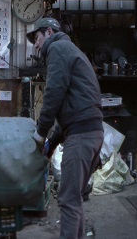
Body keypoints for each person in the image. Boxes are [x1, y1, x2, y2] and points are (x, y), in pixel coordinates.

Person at [27, 17, 104, 239]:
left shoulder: (58, 48)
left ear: (49, 32)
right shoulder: (70, 49)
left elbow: (54, 93)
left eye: (37, 38)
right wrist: (52, 142)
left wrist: (41, 133)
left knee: (68, 199)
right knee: (74, 197)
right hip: (90, 131)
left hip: (81, 135)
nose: (36, 45)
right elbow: (70, 104)